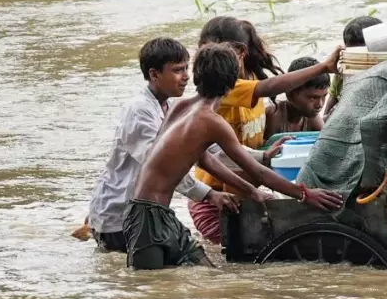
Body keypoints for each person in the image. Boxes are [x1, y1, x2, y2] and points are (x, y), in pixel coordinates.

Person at [125, 44, 344, 270]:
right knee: (147, 293)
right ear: (233, 83)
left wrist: (251, 191)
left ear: (197, 76)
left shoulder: (181, 107)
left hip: (158, 213)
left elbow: (204, 159)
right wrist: (304, 194)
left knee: (210, 277)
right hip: (146, 216)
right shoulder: (212, 122)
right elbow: (257, 171)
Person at [186, 17, 343, 243]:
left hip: (244, 185)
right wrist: (322, 67)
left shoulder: (249, 76)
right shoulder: (224, 86)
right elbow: (269, 87)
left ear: (241, 53)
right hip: (217, 195)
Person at [86, 38, 241, 252]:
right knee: (144, 280)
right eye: (178, 70)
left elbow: (211, 150)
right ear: (154, 74)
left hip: (141, 215)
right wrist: (209, 195)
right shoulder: (139, 111)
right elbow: (165, 166)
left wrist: (264, 157)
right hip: (118, 217)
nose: (186, 77)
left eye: (187, 68)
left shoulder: (172, 107)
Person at [323, 16, 385, 119]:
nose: (360, 62)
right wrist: (328, 116)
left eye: (365, 56)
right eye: (354, 55)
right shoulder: (343, 72)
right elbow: (327, 113)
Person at [264, 57, 328, 139]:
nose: (320, 104)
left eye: (324, 96)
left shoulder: (312, 118)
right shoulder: (273, 115)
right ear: (290, 94)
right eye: (313, 98)